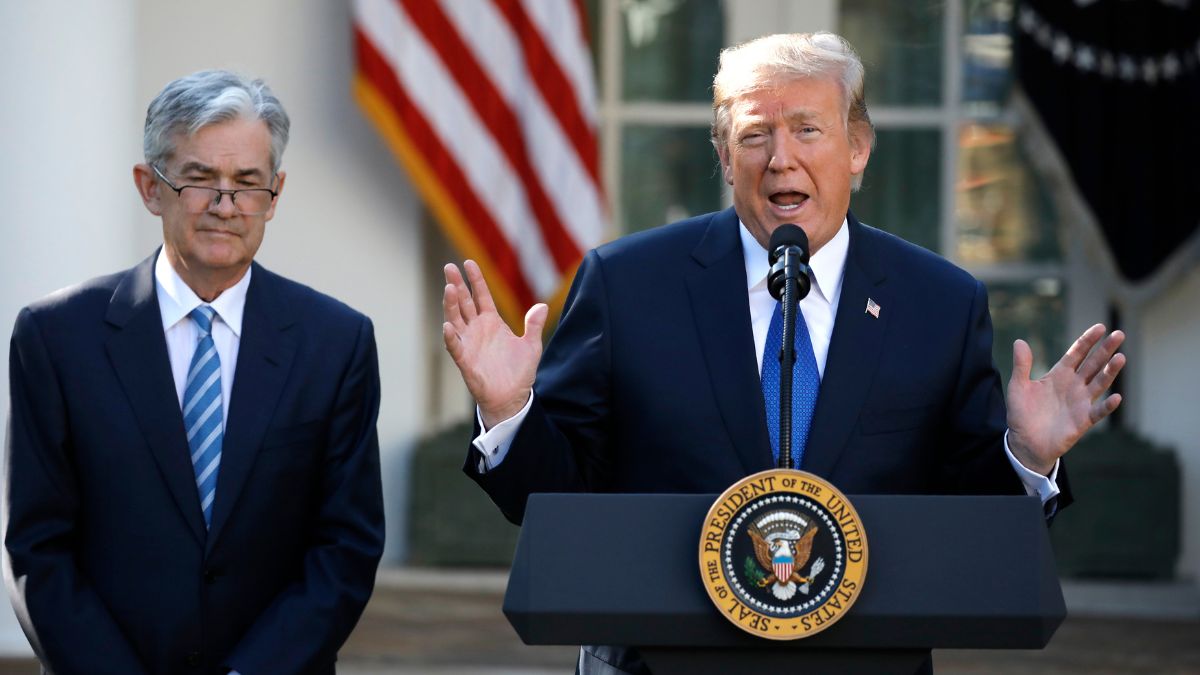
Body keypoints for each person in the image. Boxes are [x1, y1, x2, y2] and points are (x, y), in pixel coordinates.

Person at [443, 33, 1124, 674]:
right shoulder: (627, 285)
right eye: (753, 136)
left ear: (858, 147)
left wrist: (1027, 456)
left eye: (807, 129)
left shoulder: (939, 302)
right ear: (723, 155)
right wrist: (510, 412)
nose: (780, 159)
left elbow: (969, 521)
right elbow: (557, 500)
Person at [3, 70, 384, 674]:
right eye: (200, 180)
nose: (224, 207)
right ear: (150, 188)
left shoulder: (336, 343)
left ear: (275, 195)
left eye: (247, 184)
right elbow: (37, 546)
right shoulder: (55, 338)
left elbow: (346, 547)